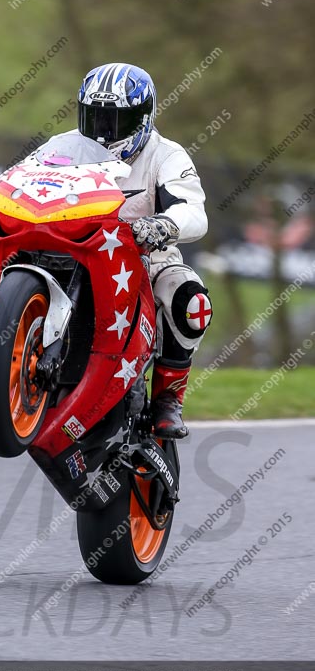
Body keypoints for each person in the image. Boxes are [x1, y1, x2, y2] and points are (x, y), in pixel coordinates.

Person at [73, 62, 212, 438]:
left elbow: (194, 212)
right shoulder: (65, 146)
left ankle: (168, 399)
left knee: (192, 301)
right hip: (76, 254)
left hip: (148, 259)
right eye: (96, 118)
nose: (105, 133)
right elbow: (20, 177)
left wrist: (164, 225)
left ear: (144, 117)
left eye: (117, 120)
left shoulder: (167, 155)